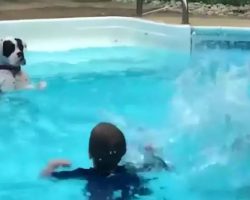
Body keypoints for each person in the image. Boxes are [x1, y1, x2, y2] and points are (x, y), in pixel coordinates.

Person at [41, 122, 153, 200]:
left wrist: (52, 164)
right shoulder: (131, 173)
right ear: (123, 152)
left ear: (90, 153)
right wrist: (150, 154)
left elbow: (47, 177)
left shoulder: (84, 174)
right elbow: (151, 167)